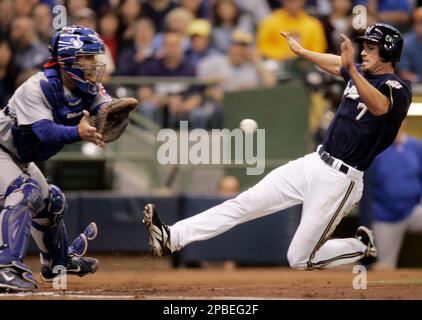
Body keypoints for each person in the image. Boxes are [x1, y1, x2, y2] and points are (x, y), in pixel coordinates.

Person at [142, 23, 412, 270]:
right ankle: (172, 237)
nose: (363, 52)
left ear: (388, 52)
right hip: (315, 161)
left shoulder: (398, 87)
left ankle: (359, 246)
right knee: (244, 202)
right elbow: (337, 64)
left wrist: (352, 69)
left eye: (371, 48)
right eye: (364, 47)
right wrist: (303, 52)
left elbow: (379, 106)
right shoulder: (359, 72)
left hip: (342, 180)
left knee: (299, 259)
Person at [0, 26, 110, 292]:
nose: (94, 64)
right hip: (2, 149)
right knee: (25, 193)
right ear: (68, 60)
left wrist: (110, 112)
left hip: (20, 156)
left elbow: (103, 104)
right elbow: (44, 132)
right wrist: (78, 132)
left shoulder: (87, 85)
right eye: (88, 57)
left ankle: (56, 263)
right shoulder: (36, 87)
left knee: (52, 201)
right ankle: (5, 268)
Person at [370, 123, 422, 269]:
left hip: (413, 210)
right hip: (385, 216)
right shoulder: (376, 148)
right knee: (386, 266)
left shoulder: (415, 146)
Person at [399, 7, 422, 84]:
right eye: (419, 22)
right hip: (414, 90)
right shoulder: (406, 43)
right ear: (414, 24)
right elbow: (404, 74)